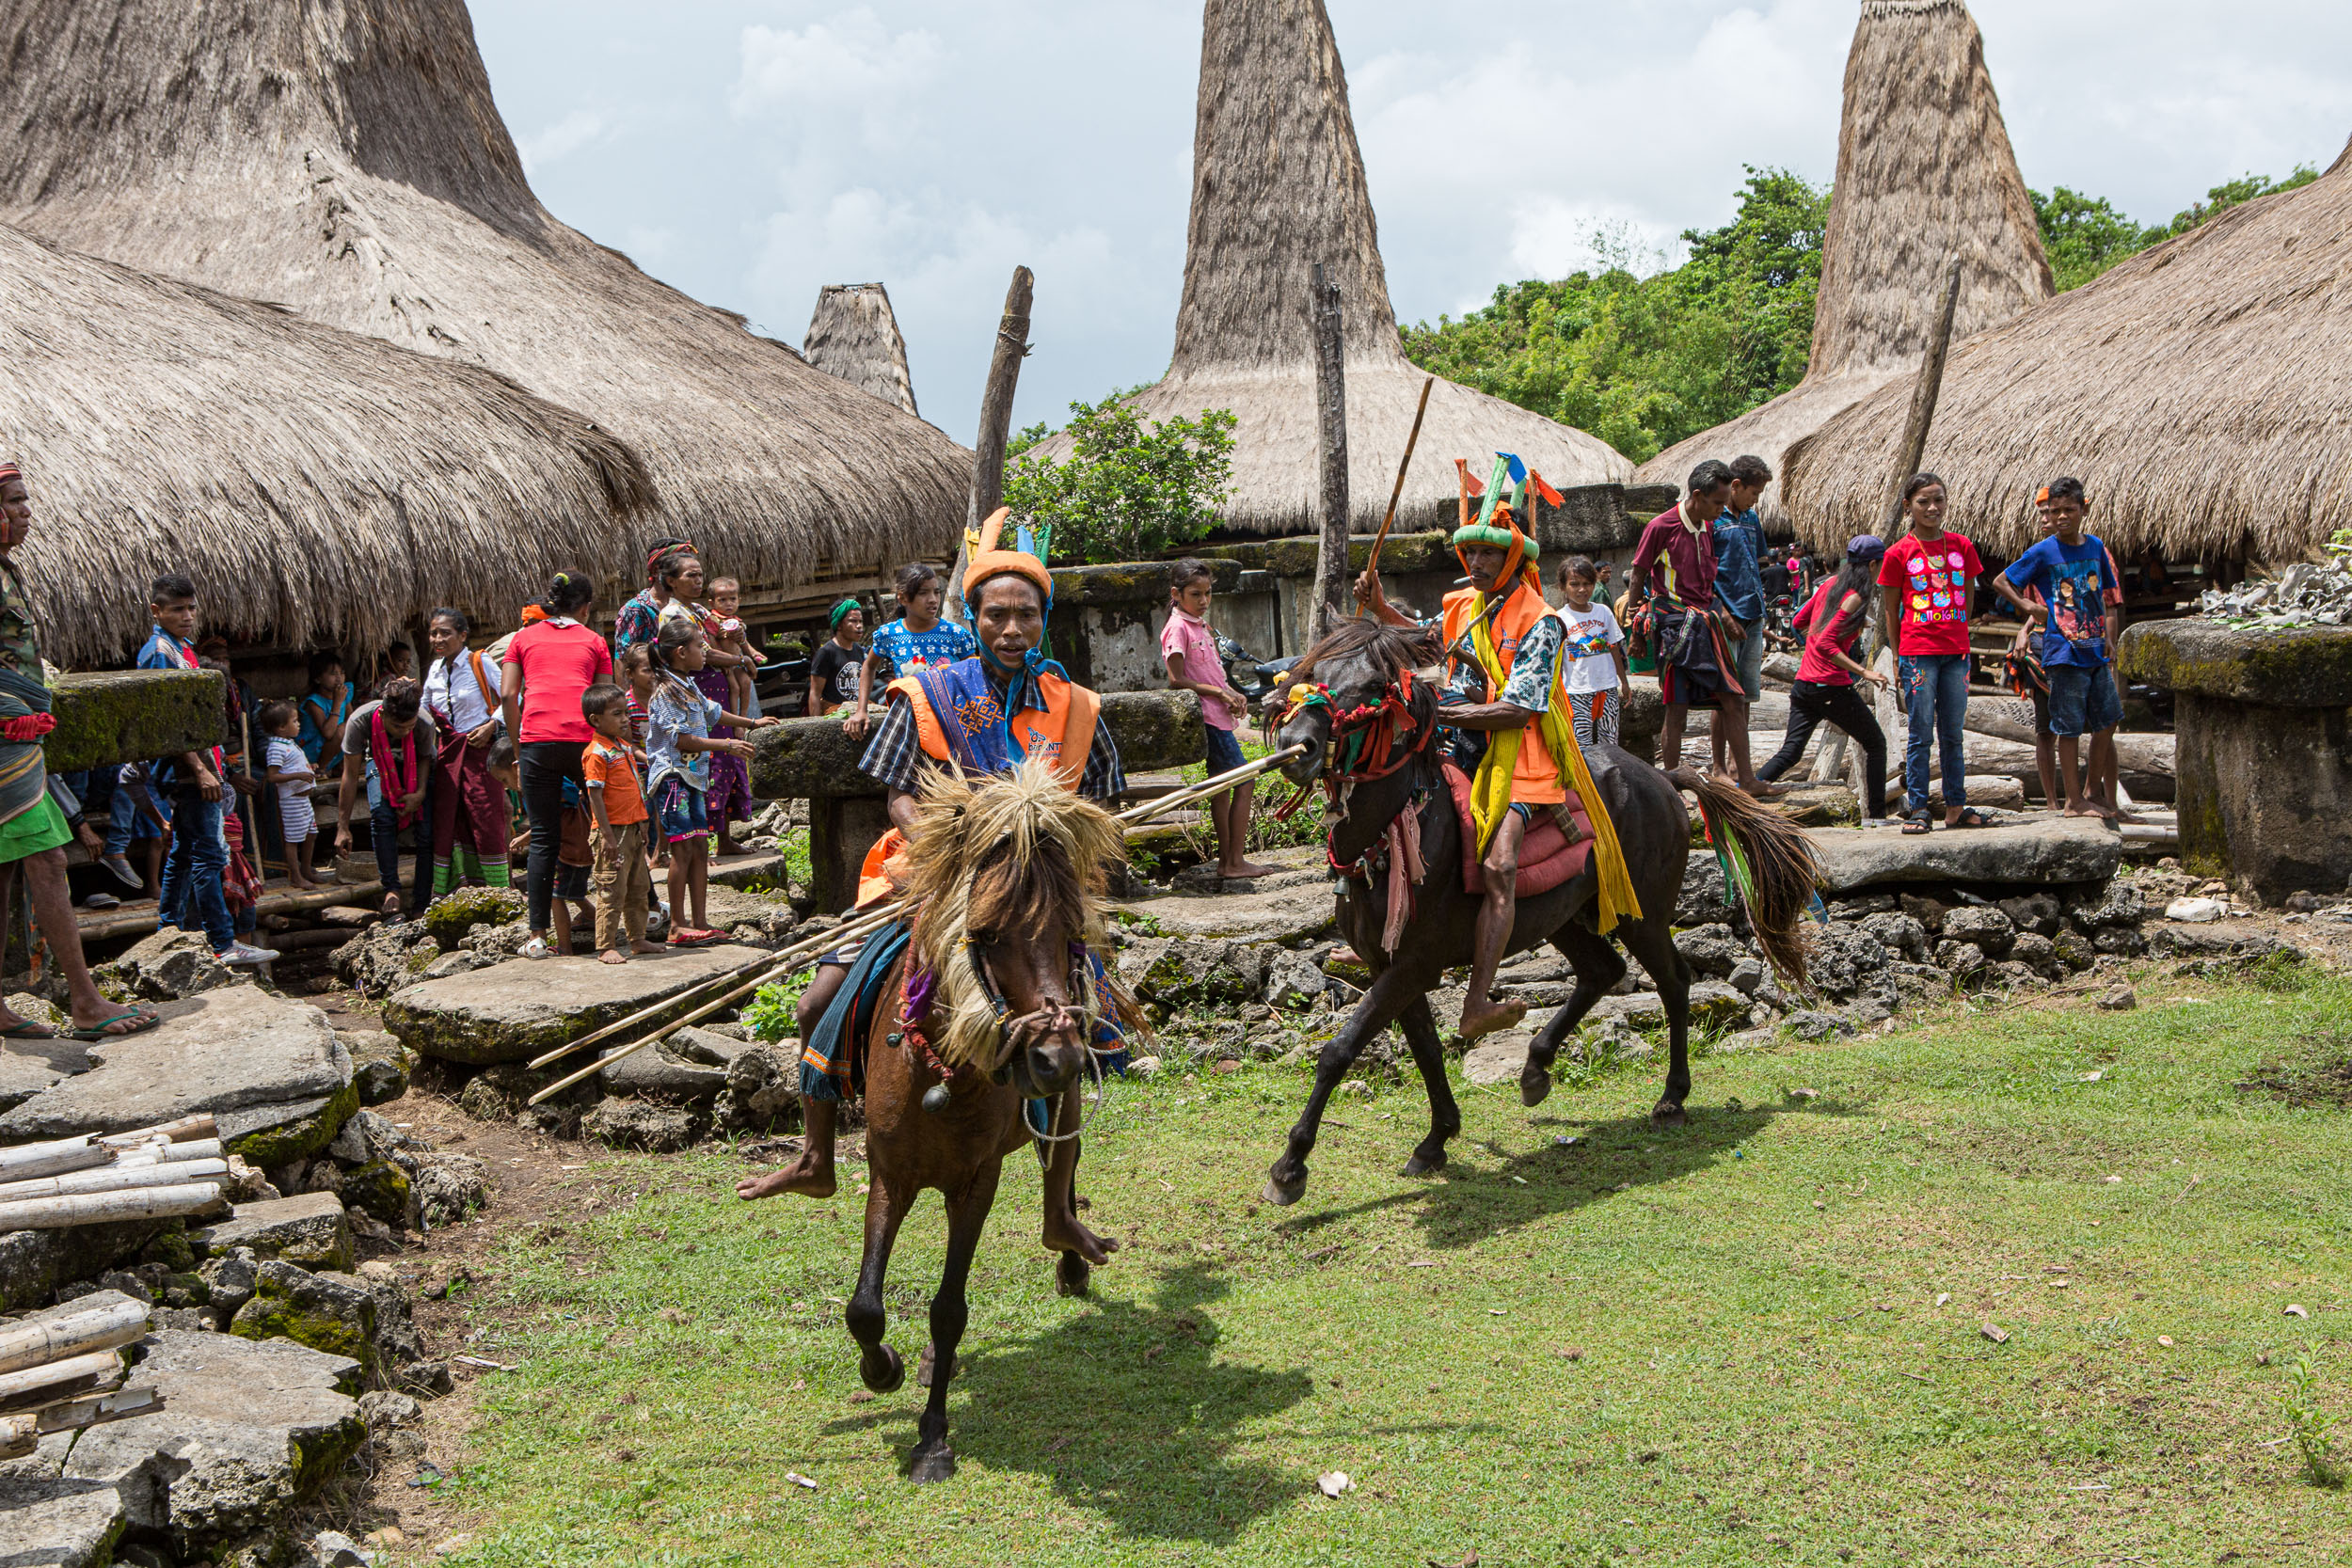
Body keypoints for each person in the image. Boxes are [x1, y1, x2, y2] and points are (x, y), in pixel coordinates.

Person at [739, 508, 1125, 1281]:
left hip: (1038, 897)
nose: (1009, 627)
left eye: (1024, 614)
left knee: (1080, 1023)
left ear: (1042, 620)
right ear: (973, 618)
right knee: (820, 1001)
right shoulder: (927, 691)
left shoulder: (1076, 705)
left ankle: (1058, 1209)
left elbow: (1104, 803)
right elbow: (899, 799)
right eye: (995, 613)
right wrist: (951, 848)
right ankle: (817, 1155)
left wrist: (1056, 849)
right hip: (927, 877)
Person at [0, 464, 161, 1040]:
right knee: (46, 859)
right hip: (5, 746)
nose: (26, 510)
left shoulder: (7, 571)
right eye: (15, 501)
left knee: (5, 872)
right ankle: (86, 1002)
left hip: (18, 739)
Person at [138, 575, 271, 965]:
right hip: (187, 769)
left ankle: (169, 928)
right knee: (211, 854)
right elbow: (170, 720)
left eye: (191, 608)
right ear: (157, 611)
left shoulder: (182, 648)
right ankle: (222, 940)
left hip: (199, 765)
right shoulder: (160, 652)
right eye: (178, 609)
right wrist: (199, 768)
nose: (187, 615)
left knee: (182, 851)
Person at [1994, 478, 2126, 819]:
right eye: (2055, 511)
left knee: (2108, 720)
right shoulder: (2043, 551)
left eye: (2069, 510)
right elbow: (2002, 581)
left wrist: (2109, 637)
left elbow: (2106, 598)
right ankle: (2073, 802)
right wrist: (2027, 606)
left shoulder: (2096, 547)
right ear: (2048, 515)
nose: (2062, 516)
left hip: (2095, 649)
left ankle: (2090, 791)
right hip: (2063, 651)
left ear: (2085, 509)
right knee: (2066, 728)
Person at [500, 570, 612, 958]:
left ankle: (536, 936)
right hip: (584, 740)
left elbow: (508, 693)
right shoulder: (595, 640)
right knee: (614, 821)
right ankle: (644, 909)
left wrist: (519, 746)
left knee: (543, 837)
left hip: (537, 741)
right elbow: (603, 701)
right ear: (585, 607)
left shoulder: (523, 638)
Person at [644, 617, 775, 942]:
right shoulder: (665, 693)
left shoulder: (687, 686)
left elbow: (714, 713)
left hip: (693, 777)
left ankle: (700, 921)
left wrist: (753, 723)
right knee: (682, 850)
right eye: (698, 646)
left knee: (700, 847)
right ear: (680, 652)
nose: (705, 652)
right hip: (674, 778)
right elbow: (682, 740)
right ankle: (677, 924)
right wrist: (727, 743)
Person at [1629, 461, 1759, 785]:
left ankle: (1747, 779)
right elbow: (1639, 573)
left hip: (1708, 623)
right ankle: (1670, 783)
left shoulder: (1709, 527)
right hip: (1675, 626)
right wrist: (1636, 626)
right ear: (1697, 496)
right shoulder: (1661, 526)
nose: (1721, 509)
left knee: (1732, 697)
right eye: (1717, 503)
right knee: (1677, 707)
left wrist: (1726, 618)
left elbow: (1707, 584)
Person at [1877, 473, 1988, 832]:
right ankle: (1919, 808)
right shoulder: (1898, 554)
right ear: (1908, 506)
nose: (1932, 508)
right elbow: (1891, 610)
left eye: (1938, 499)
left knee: (1953, 732)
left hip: (1956, 652)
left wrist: (1957, 631)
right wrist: (1897, 656)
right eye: (1923, 501)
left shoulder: (1961, 546)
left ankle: (1956, 805)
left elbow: (1969, 597)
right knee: (1921, 731)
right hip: (1917, 652)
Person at [1756, 536, 1894, 820]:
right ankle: (1877, 817)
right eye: (1881, 564)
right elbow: (1826, 644)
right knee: (1875, 743)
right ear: (1872, 564)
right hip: (1830, 686)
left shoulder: (1830, 585)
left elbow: (1798, 622)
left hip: (1805, 684)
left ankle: (1741, 793)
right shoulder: (1856, 596)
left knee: (1791, 752)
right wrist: (1864, 671)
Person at [1160, 560, 1275, 879]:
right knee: (1246, 779)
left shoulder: (1200, 626)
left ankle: (1229, 861)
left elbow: (1210, 671)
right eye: (1196, 594)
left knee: (1222, 789)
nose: (1204, 601)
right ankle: (1234, 861)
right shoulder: (1178, 628)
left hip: (1217, 715)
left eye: (1208, 593)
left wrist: (1230, 693)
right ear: (1177, 594)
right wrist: (1219, 694)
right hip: (1206, 719)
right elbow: (1176, 679)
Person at [332, 677, 437, 919]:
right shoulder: (361, 721)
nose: (405, 731)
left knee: (426, 833)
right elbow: (349, 776)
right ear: (384, 713)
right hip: (379, 763)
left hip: (418, 770)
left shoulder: (423, 723)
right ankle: (391, 888)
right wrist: (342, 826)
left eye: (409, 726)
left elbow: (424, 759)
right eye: (399, 728)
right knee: (381, 816)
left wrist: (419, 794)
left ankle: (421, 901)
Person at [421, 608, 507, 898]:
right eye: (434, 633)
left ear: (462, 635)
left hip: (478, 752)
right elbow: (423, 708)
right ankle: (457, 886)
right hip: (447, 755)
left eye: (445, 633)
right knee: (450, 818)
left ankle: (497, 888)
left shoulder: (479, 662)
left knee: (485, 815)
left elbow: (513, 695)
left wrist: (492, 725)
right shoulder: (434, 670)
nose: (437, 639)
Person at [1706, 455, 1776, 790]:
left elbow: (1758, 562)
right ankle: (1718, 765)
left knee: (1745, 696)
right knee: (1724, 697)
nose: (1755, 500)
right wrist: (1721, 610)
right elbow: (1706, 574)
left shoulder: (1751, 519)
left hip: (1753, 612)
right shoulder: (1713, 522)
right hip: (1726, 615)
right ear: (1736, 486)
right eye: (1754, 493)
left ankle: (1739, 768)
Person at [850, 562, 977, 740]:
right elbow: (869, 667)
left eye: (936, 592)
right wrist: (861, 710)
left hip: (955, 721)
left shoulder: (954, 634)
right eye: (923, 593)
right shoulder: (889, 634)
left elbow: (975, 675)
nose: (933, 599)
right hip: (911, 721)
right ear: (903, 599)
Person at [580, 684, 660, 964]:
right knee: (611, 889)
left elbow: (639, 765)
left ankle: (637, 938)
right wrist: (607, 837)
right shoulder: (597, 753)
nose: (626, 719)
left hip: (633, 827)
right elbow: (595, 796)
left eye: (626, 713)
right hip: (612, 831)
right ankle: (605, 946)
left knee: (638, 887)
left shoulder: (622, 747)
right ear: (596, 720)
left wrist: (643, 823)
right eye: (618, 714)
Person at [1555, 556, 1629, 752]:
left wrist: (1624, 682)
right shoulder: (1559, 618)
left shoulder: (1603, 612)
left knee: (1611, 743)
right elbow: (1556, 660)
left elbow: (1614, 648)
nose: (1582, 589)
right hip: (1576, 690)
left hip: (1607, 687)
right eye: (1575, 584)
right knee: (1581, 746)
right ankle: (1585, 782)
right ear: (1563, 587)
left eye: (1587, 584)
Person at [260, 701, 321, 889]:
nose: (298, 724)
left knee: (311, 833)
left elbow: (293, 764)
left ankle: (307, 869)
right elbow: (272, 776)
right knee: (293, 839)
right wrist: (299, 775)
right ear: (281, 727)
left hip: (303, 799)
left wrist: (309, 768)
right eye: (294, 721)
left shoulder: (288, 744)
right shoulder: (276, 748)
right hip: (291, 800)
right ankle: (295, 876)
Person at [707, 577, 757, 721]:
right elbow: (712, 644)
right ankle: (736, 720)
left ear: (739, 600)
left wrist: (754, 654)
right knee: (734, 688)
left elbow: (743, 643)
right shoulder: (713, 620)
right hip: (726, 661)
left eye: (733, 599)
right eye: (722, 600)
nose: (728, 604)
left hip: (739, 661)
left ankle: (744, 717)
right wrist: (723, 662)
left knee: (746, 683)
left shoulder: (737, 621)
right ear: (712, 602)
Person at [297, 653, 351, 784]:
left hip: (333, 751)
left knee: (351, 727)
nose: (339, 678)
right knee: (342, 730)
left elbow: (352, 719)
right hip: (312, 752)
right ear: (317, 679)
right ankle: (320, 771)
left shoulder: (344, 694)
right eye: (333, 674)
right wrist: (337, 703)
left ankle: (339, 766)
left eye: (342, 673)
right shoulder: (314, 703)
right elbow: (327, 733)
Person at [808, 598, 865, 718]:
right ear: (839, 625)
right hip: (835, 715)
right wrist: (816, 724)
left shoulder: (859, 651)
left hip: (857, 714)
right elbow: (815, 693)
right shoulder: (826, 652)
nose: (859, 626)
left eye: (860, 621)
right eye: (853, 621)